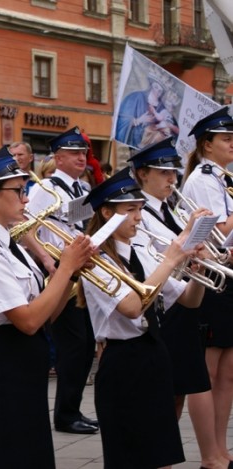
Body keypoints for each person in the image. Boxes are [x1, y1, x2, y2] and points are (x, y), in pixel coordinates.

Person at [0, 151, 95, 468]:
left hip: (22, 362)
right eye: (18, 191)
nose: (26, 200)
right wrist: (64, 269)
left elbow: (47, 314)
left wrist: (72, 272)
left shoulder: (10, 243)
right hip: (0, 364)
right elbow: (28, 320)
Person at [79, 167, 206, 468]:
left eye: (139, 209)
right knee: (130, 456)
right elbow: (133, 307)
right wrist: (173, 259)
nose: (138, 217)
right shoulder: (96, 261)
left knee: (162, 455)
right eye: (130, 210)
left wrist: (198, 274)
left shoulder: (142, 251)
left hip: (154, 353)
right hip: (122, 361)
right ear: (108, 213)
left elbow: (187, 300)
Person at [129, 136, 229, 469]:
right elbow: (158, 256)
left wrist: (204, 249)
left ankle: (171, 458)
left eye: (173, 172)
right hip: (162, 307)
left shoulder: (169, 207)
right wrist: (190, 233)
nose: (172, 179)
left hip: (182, 300)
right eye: (162, 173)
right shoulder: (138, 212)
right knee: (167, 391)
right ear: (143, 174)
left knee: (179, 390)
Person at [25, 126, 99, 435]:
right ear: (58, 157)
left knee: (86, 344)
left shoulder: (83, 189)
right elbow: (28, 228)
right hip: (59, 265)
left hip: (84, 264)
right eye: (74, 153)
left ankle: (72, 408)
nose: (81, 158)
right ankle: (66, 414)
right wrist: (46, 261)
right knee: (74, 343)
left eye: (83, 153)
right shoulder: (46, 188)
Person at [182, 106, 233, 464]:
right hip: (212, 277)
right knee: (211, 370)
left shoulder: (225, 177)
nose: (232, 144)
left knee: (228, 372)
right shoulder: (202, 178)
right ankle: (210, 454)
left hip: (228, 275)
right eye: (226, 139)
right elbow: (216, 231)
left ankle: (221, 448)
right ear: (207, 144)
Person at [115, 74, 168, 148]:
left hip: (150, 144)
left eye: (160, 91)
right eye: (156, 87)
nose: (157, 92)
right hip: (133, 142)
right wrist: (138, 120)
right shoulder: (136, 97)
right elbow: (122, 119)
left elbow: (165, 126)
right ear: (151, 85)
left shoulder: (162, 108)